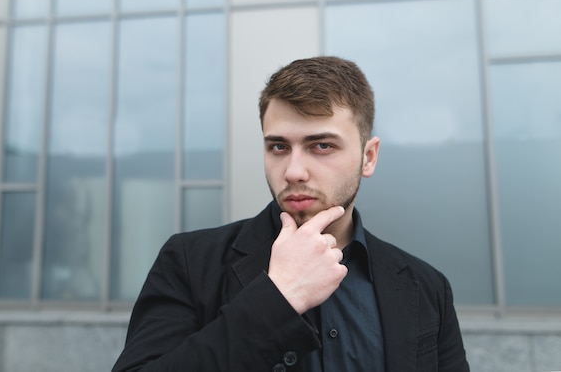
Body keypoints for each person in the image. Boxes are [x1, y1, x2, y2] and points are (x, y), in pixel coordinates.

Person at [112, 56, 470, 372]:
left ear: (368, 157)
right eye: (279, 147)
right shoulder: (190, 262)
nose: (294, 171)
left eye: (321, 146)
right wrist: (278, 298)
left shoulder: (426, 287)